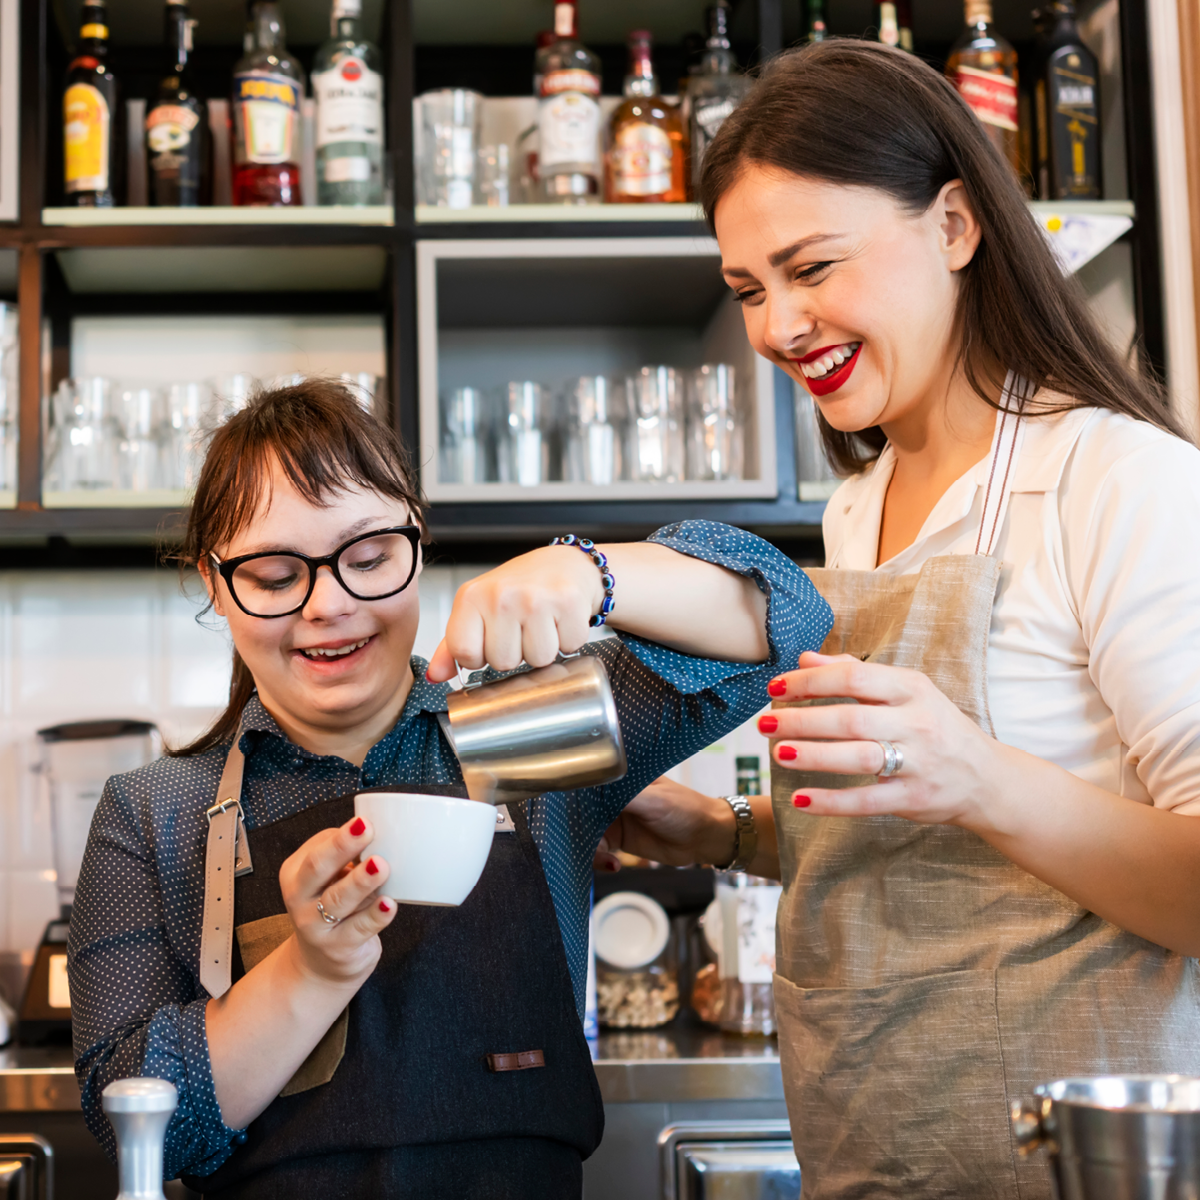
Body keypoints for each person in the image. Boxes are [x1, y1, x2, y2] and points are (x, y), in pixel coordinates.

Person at [599, 39, 1200, 1200]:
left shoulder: (1117, 481)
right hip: (879, 1147)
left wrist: (974, 771)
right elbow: (935, 854)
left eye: (813, 265)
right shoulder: (857, 509)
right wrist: (726, 833)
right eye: (749, 291)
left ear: (956, 226)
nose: (777, 326)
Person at [67, 380, 832, 1199]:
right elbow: (133, 1121)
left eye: (367, 558)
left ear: (417, 546)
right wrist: (310, 972)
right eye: (274, 573)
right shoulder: (156, 812)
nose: (329, 605)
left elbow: (792, 623)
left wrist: (590, 572)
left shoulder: (535, 733)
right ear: (216, 585)